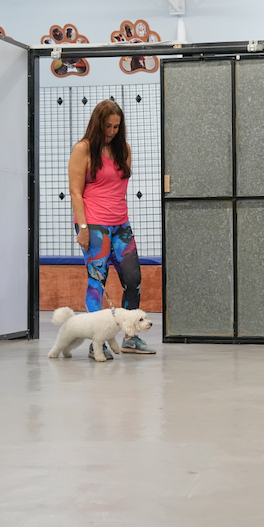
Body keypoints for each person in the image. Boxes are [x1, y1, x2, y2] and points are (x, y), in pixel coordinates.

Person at [68, 99, 155, 357]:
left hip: (121, 225)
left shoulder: (123, 149)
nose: (112, 131)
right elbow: (75, 192)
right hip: (94, 225)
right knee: (97, 281)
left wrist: (119, 220)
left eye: (117, 127)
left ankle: (130, 337)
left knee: (133, 279)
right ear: (98, 124)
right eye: (108, 126)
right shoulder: (83, 149)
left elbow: (118, 188)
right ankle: (98, 343)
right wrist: (83, 228)